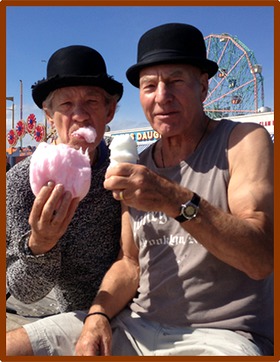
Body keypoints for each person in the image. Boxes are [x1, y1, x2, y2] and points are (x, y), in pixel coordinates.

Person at [75, 23, 274, 356]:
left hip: (223, 336)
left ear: (204, 87)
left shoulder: (243, 141)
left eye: (176, 81)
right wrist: (97, 316)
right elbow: (129, 263)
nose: (162, 97)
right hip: (135, 325)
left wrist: (173, 199)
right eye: (149, 85)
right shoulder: (139, 164)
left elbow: (259, 259)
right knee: (18, 345)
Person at [6, 45, 123, 355]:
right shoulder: (21, 183)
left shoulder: (125, 171)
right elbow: (24, 292)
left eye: (91, 102)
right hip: (72, 317)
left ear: (109, 111)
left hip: (135, 306)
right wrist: (41, 245)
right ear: (49, 115)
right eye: (67, 104)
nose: (80, 115)